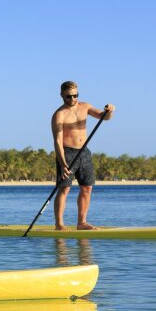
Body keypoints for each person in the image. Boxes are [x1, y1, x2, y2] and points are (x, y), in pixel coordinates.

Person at [51, 81, 115, 231]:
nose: (72, 99)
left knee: (87, 188)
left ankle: (82, 222)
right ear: (62, 95)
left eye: (75, 95)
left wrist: (109, 111)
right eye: (68, 97)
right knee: (64, 189)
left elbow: (103, 117)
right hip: (67, 153)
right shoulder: (59, 115)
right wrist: (62, 163)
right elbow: (57, 142)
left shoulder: (84, 106)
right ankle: (59, 224)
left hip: (84, 152)